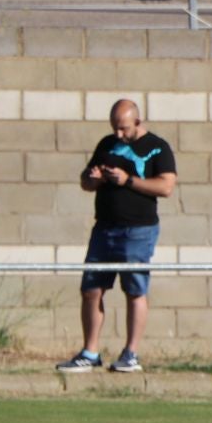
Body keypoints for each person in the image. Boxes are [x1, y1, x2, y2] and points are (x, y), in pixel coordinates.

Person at [57, 99, 178, 374]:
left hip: (138, 231)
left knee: (135, 289)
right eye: (115, 128)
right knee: (91, 289)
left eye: (123, 128)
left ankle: (130, 354)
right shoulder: (107, 144)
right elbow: (85, 182)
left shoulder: (157, 147)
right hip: (104, 229)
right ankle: (90, 352)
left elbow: (166, 186)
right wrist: (95, 177)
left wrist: (128, 180)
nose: (119, 135)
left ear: (137, 121)